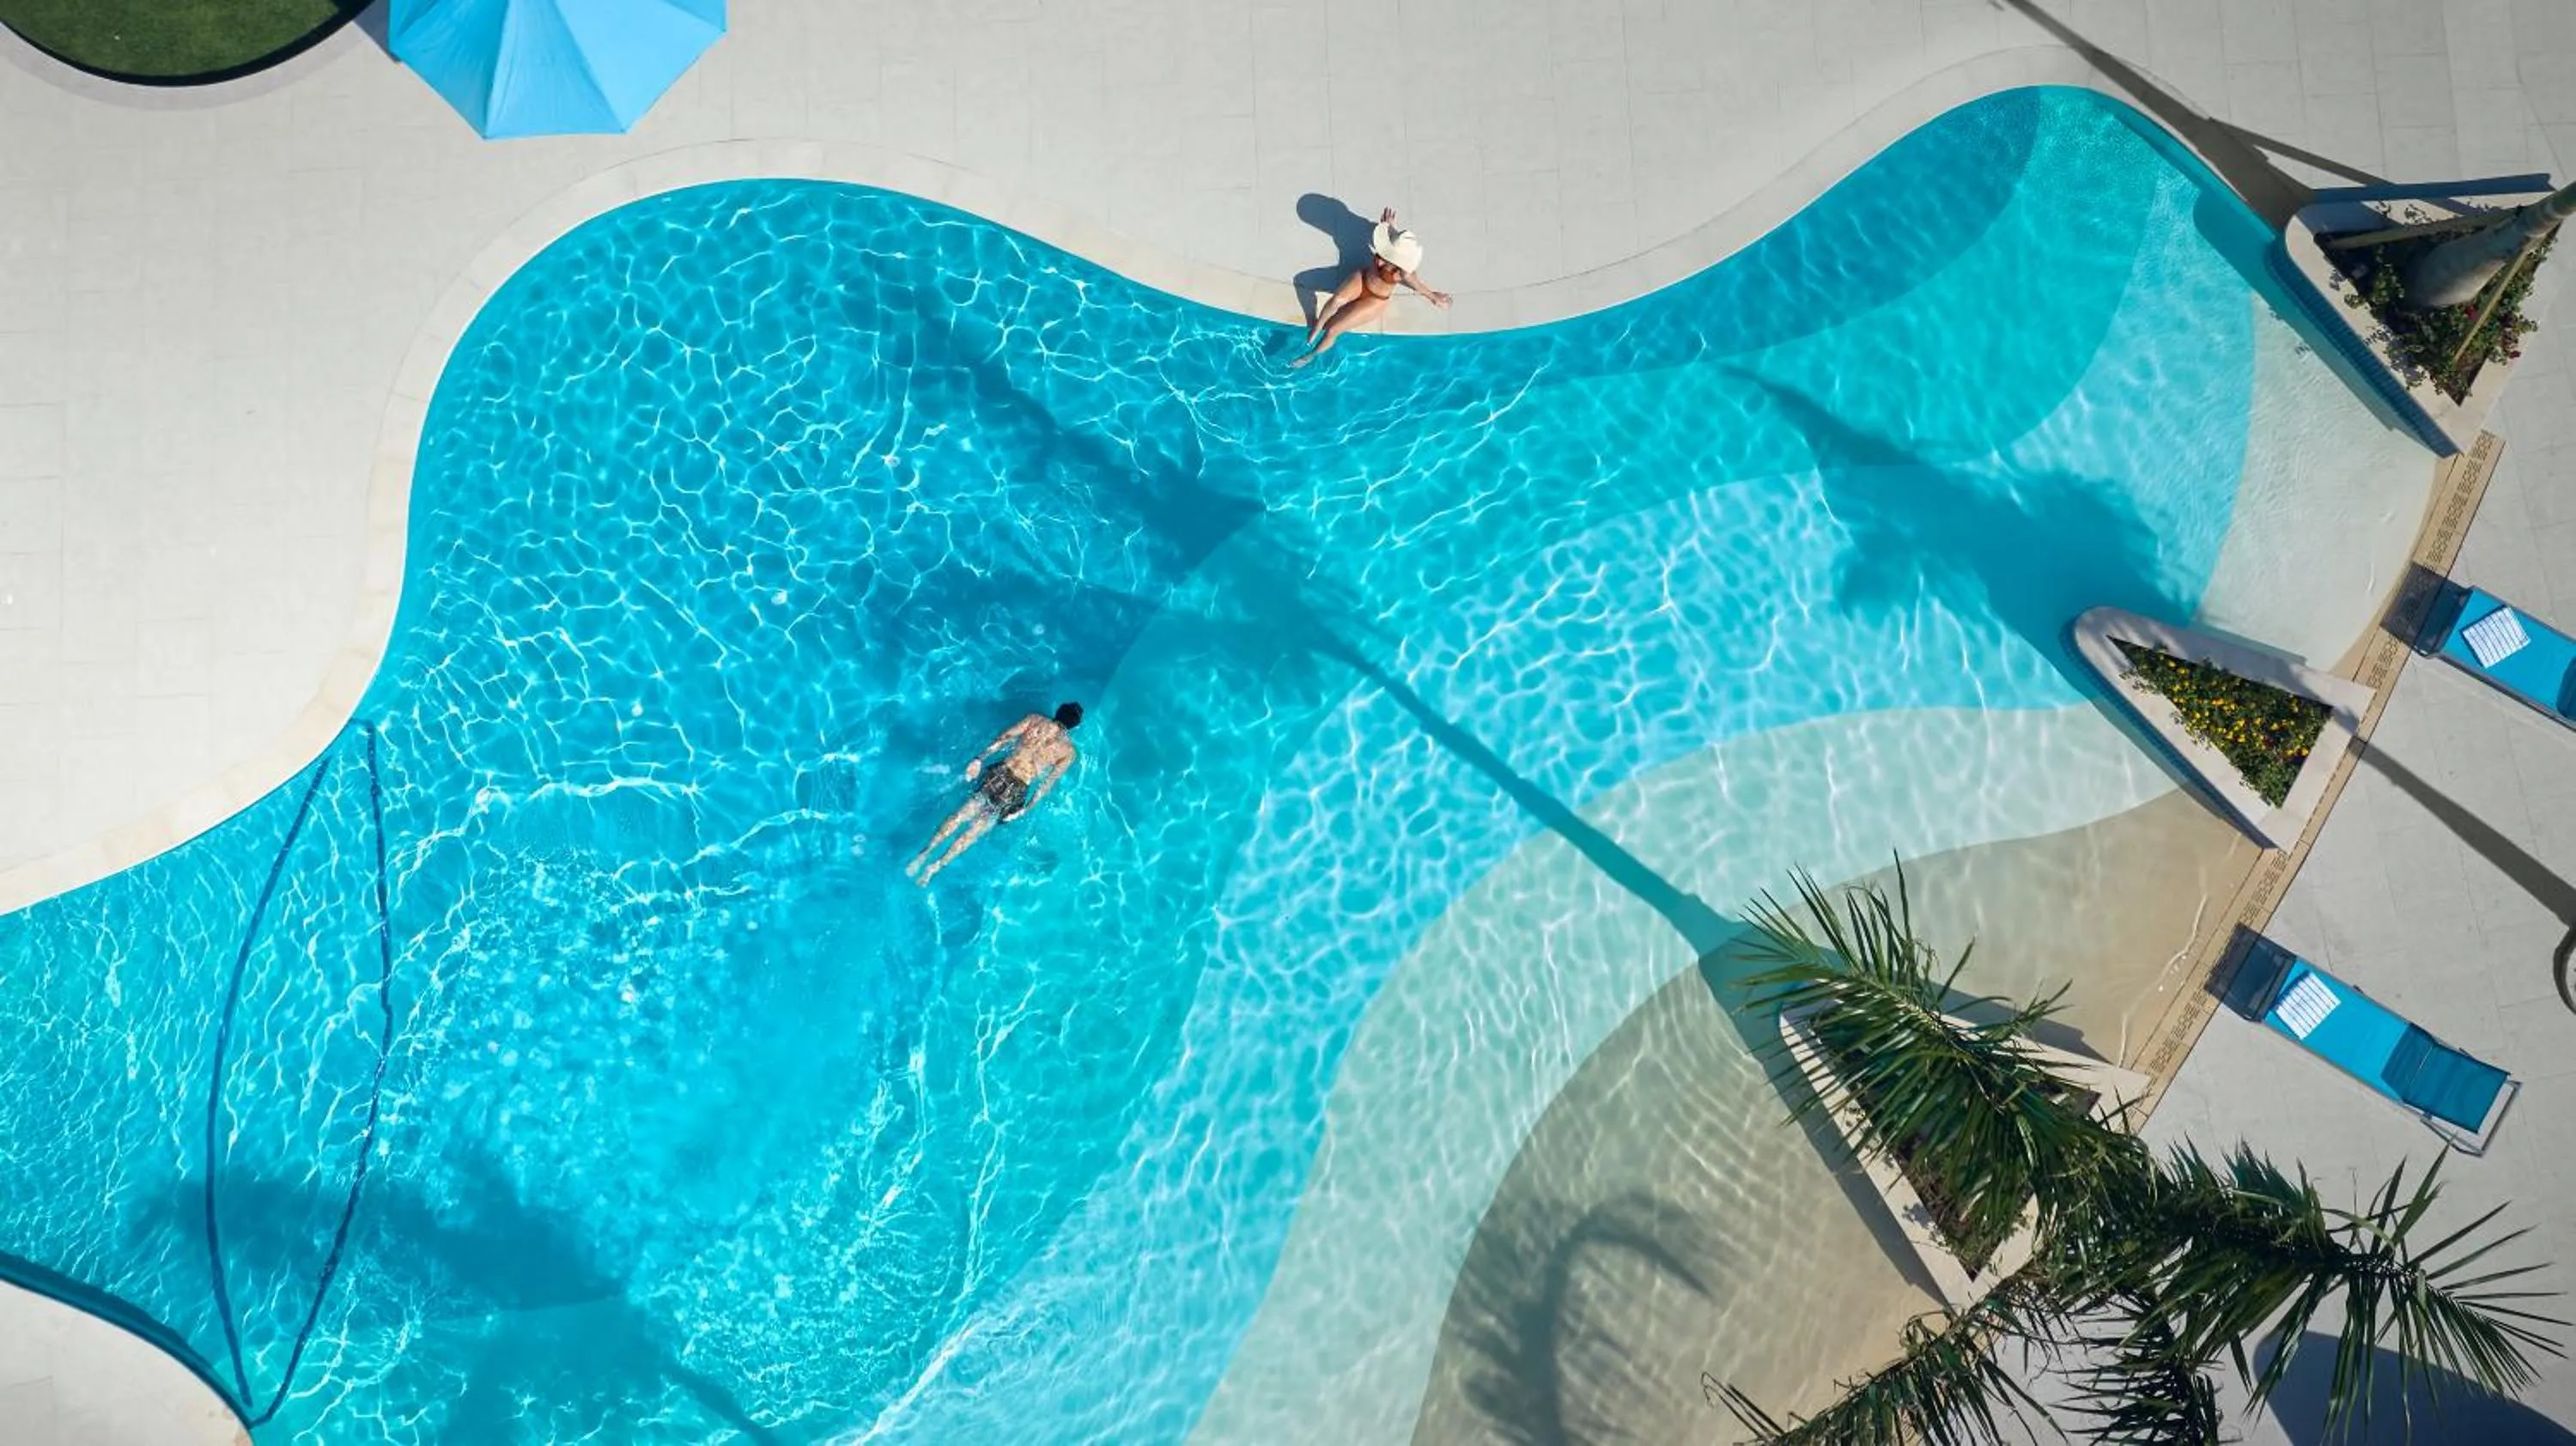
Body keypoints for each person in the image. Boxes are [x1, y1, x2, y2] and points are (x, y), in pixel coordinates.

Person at [907, 702, 1083, 884]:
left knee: (961, 815)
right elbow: (1047, 784)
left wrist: (979, 759)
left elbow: (1005, 738)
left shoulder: (1035, 719)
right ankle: (935, 867)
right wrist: (1026, 809)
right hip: (1018, 789)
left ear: (1058, 712)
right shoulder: (1068, 752)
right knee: (975, 831)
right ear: (1073, 727)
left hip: (1000, 773)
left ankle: (923, 854)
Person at [1291, 208, 1453, 368]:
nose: (1380, 262)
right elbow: (1394, 239)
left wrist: (1435, 298)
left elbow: (1419, 287)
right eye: (1383, 255)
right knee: (1336, 300)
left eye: (1387, 259)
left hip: (1375, 300)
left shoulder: (1406, 273)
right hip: (1362, 279)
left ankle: (1310, 356)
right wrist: (1390, 227)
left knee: (1333, 330)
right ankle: (1317, 326)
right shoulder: (1392, 245)